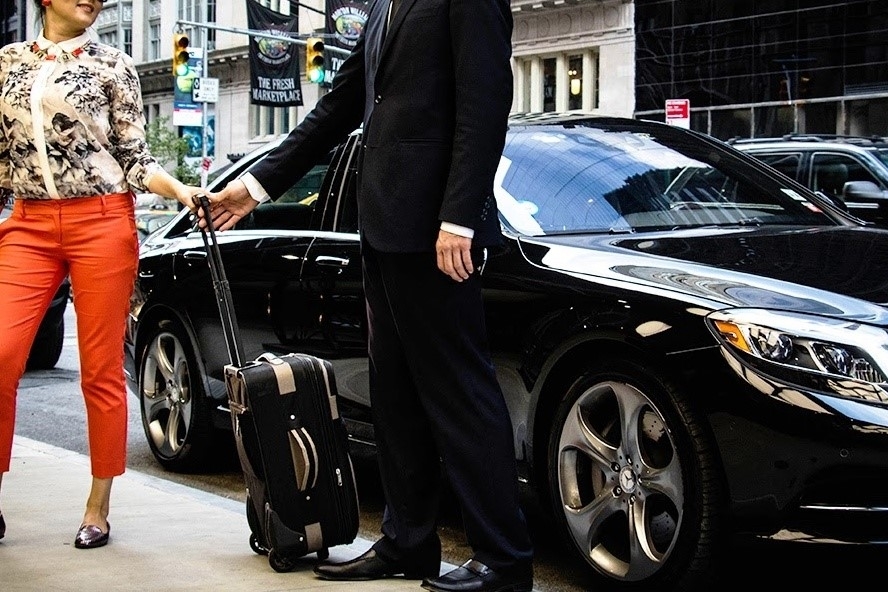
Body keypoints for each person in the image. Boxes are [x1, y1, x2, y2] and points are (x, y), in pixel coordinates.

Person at [206, 0, 533, 590]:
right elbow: (339, 105)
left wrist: (459, 215)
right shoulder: (385, 4)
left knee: (460, 393)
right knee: (395, 394)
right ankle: (408, 543)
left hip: (438, 230)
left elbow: (485, 106)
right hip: (384, 223)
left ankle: (504, 561)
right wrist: (258, 183)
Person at [0, 0, 203, 550]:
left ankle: (97, 507)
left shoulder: (114, 65)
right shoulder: (8, 61)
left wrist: (181, 190)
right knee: (1, 353)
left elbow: (135, 157)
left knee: (100, 371)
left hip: (103, 221)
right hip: (28, 221)